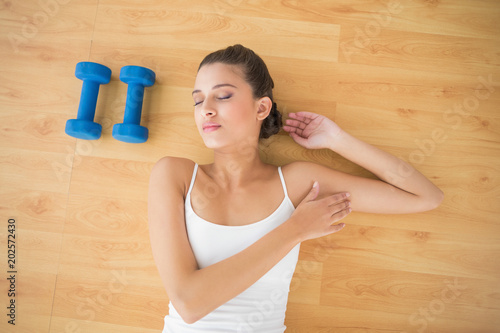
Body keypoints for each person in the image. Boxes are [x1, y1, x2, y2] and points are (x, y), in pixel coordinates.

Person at [148, 44, 443, 332]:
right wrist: (295, 230)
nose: (206, 110)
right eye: (198, 101)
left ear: (261, 107)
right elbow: (189, 303)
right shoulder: (176, 175)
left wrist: (337, 140)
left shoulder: (297, 183)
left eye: (222, 96)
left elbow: (425, 197)